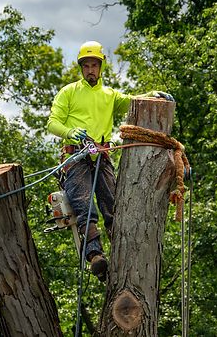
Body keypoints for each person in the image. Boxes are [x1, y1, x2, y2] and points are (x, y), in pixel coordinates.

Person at [47, 40, 174, 282]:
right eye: (86, 66)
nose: (90, 70)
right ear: (81, 68)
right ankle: (95, 256)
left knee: (113, 205)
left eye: (94, 65)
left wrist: (151, 95)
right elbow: (52, 122)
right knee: (84, 206)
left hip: (101, 156)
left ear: (101, 67)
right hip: (77, 156)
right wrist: (69, 132)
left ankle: (120, 255)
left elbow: (131, 100)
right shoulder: (69, 92)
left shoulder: (109, 95)